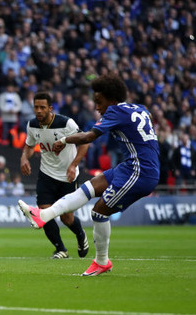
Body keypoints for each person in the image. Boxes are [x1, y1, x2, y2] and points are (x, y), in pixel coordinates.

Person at [19, 74, 160, 276]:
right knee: (91, 185)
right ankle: (43, 215)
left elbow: (89, 136)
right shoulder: (138, 108)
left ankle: (102, 262)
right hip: (130, 165)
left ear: (111, 101)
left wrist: (65, 140)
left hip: (141, 171)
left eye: (99, 102)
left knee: (99, 212)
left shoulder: (114, 111)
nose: (96, 107)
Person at [20, 91, 89, 259]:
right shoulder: (32, 125)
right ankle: (61, 249)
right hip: (46, 174)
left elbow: (84, 143)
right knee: (44, 213)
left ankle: (81, 235)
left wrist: (73, 165)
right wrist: (24, 159)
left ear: (50, 108)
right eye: (36, 107)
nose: (38, 111)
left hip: (68, 175)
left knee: (67, 218)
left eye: (42, 107)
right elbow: (29, 145)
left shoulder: (66, 123)